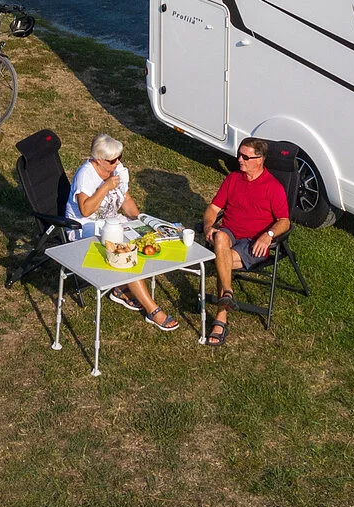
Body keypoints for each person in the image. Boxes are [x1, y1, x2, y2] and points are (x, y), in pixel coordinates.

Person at [65, 134, 182, 332]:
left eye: (119, 157)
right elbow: (85, 210)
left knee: (145, 238)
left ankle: (121, 290)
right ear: (99, 160)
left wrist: (140, 219)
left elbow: (125, 199)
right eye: (112, 160)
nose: (117, 162)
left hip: (111, 222)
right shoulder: (86, 175)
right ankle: (152, 310)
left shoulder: (116, 169)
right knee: (126, 253)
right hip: (86, 228)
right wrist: (105, 187)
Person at [201, 138, 291, 347]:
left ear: (259, 160)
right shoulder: (233, 179)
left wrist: (268, 235)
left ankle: (221, 318)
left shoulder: (273, 187)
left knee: (220, 259)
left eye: (245, 157)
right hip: (229, 234)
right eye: (239, 155)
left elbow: (284, 221)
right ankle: (227, 295)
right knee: (220, 237)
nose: (239, 160)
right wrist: (208, 227)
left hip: (253, 243)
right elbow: (213, 209)